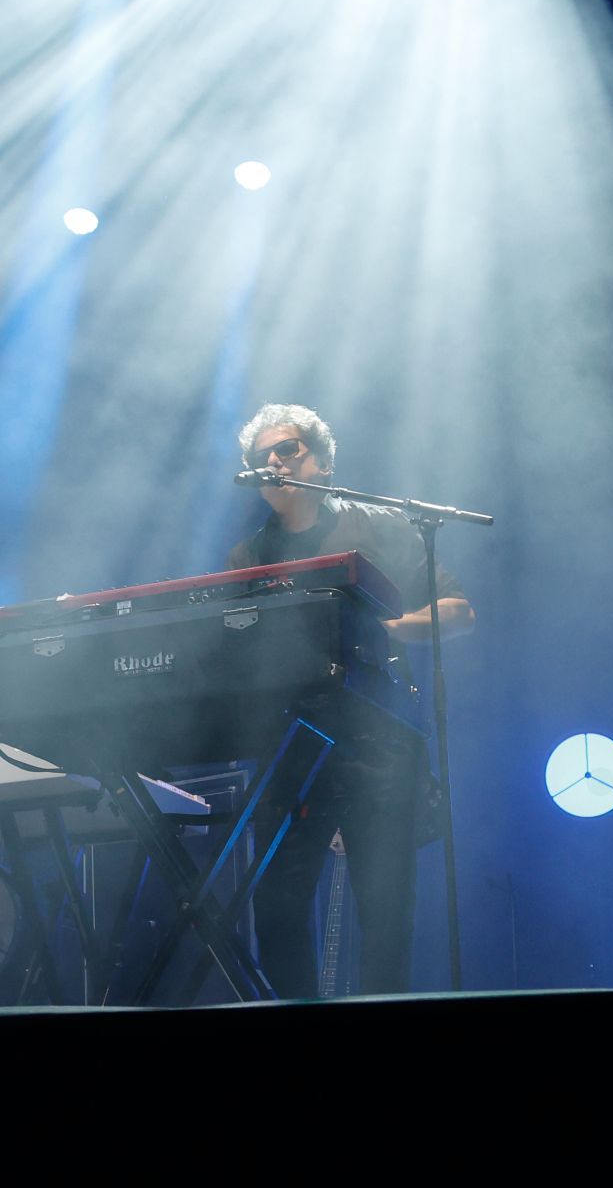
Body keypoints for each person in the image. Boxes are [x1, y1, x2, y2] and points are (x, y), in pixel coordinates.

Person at [227, 403, 474, 998]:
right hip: (290, 748)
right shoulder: (246, 558)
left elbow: (459, 612)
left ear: (325, 462)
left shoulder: (382, 527)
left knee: (385, 913)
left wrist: (383, 632)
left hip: (380, 742)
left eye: (288, 450)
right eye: (263, 457)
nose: (275, 462)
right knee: (277, 906)